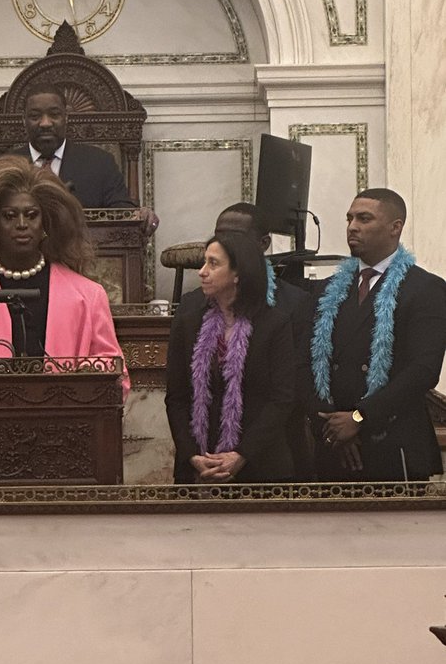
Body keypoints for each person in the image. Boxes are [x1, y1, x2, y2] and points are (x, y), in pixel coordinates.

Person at [0, 156, 130, 399]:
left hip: (62, 427)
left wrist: (78, 377)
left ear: (45, 223)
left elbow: (115, 375)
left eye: (31, 215)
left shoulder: (87, 295)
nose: (21, 224)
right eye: (9, 215)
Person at [311, 188, 446, 481]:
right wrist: (334, 424)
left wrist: (360, 418)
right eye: (349, 219)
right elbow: (305, 361)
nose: (352, 227)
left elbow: (423, 370)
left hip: (391, 443)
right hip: (333, 446)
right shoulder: (325, 291)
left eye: (364, 218)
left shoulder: (424, 289)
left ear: (395, 227)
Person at [177, 201, 315, 479]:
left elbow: (284, 396)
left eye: (212, 263)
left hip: (262, 459)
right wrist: (192, 454)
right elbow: (177, 395)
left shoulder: (278, 316)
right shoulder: (190, 313)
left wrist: (242, 454)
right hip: (199, 463)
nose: (202, 271)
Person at [20, 87, 136, 208]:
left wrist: (140, 216)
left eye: (54, 115)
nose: (45, 123)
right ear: (24, 120)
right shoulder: (6, 165)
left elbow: (123, 213)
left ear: (66, 117)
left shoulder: (100, 163)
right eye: (35, 116)